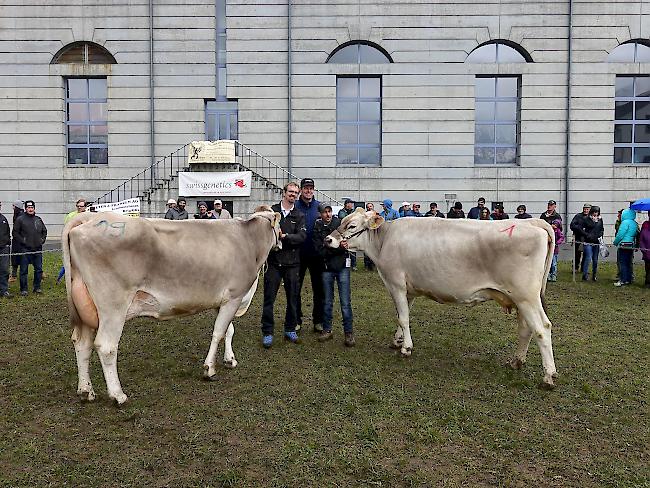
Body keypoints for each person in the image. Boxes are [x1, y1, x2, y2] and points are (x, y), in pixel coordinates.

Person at [261, 182, 306, 348]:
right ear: (284, 193)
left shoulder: (299, 215)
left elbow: (301, 237)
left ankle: (289, 328)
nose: (293, 195)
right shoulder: (271, 212)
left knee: (293, 298)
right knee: (268, 299)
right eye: (290, 192)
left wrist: (285, 236)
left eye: (296, 193)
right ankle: (267, 332)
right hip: (273, 262)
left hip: (293, 263)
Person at [313, 203, 355, 346]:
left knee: (345, 302)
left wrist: (330, 246)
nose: (328, 214)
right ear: (320, 214)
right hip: (326, 269)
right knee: (327, 301)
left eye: (329, 211)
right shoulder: (317, 227)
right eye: (325, 212)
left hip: (342, 267)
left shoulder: (339, 224)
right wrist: (335, 247)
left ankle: (348, 332)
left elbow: (345, 245)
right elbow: (319, 251)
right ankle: (327, 329)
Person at [295, 178, 325, 332]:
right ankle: (296, 319)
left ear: (314, 190)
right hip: (297, 255)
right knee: (295, 289)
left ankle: (318, 321)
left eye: (311, 188)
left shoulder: (320, 207)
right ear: (301, 189)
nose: (308, 191)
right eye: (306, 188)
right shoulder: (295, 206)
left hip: (316, 255)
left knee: (319, 289)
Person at [12, 200, 47, 296]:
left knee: (39, 269)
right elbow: (15, 233)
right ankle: (24, 289)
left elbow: (44, 231)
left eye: (32, 207)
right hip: (25, 249)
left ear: (34, 208)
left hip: (37, 249)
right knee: (23, 270)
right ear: (25, 208)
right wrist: (23, 241)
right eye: (28, 207)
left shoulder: (38, 219)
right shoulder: (20, 219)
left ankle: (37, 287)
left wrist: (42, 240)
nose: (30, 209)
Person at [59, 198, 88, 283]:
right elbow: (66, 227)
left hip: (84, 241)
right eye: (78, 206)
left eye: (81, 206)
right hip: (72, 240)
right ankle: (67, 277)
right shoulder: (71, 215)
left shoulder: (88, 215)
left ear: (85, 207)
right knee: (71, 259)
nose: (79, 208)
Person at [613, 208, 639, 287]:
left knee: (623, 263)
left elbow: (620, 234)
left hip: (623, 245)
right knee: (628, 262)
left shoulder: (624, 223)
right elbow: (636, 234)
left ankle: (623, 280)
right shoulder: (635, 223)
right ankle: (628, 279)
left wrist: (615, 242)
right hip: (631, 244)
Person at [581, 206, 603, 281]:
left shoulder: (600, 220)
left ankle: (594, 275)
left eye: (597, 212)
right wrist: (586, 235)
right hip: (588, 242)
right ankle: (585, 274)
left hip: (596, 242)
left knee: (595, 259)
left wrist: (600, 235)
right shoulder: (586, 219)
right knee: (588, 257)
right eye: (594, 212)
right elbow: (581, 229)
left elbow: (601, 229)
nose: (595, 214)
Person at [570, 204, 591, 272]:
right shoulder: (578, 216)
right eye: (585, 209)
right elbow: (572, 225)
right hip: (578, 237)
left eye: (587, 209)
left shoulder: (591, 217)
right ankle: (575, 267)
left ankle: (583, 268)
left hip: (587, 238)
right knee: (577, 254)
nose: (585, 210)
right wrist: (579, 228)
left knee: (586, 254)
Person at [9, 200, 23, 282]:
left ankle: (14, 275)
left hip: (19, 241)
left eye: (13, 206)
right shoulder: (18, 215)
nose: (13, 207)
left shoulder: (19, 216)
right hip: (17, 240)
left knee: (16, 257)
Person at [0, 202, 11, 297]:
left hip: (3, 248)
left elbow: (8, 232)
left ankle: (4, 290)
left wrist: (7, 243)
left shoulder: (3, 219)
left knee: (4, 269)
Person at [640, 211, 650, 288]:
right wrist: (643, 250)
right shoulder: (645, 224)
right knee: (648, 267)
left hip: (646, 250)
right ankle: (647, 282)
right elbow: (642, 238)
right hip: (647, 251)